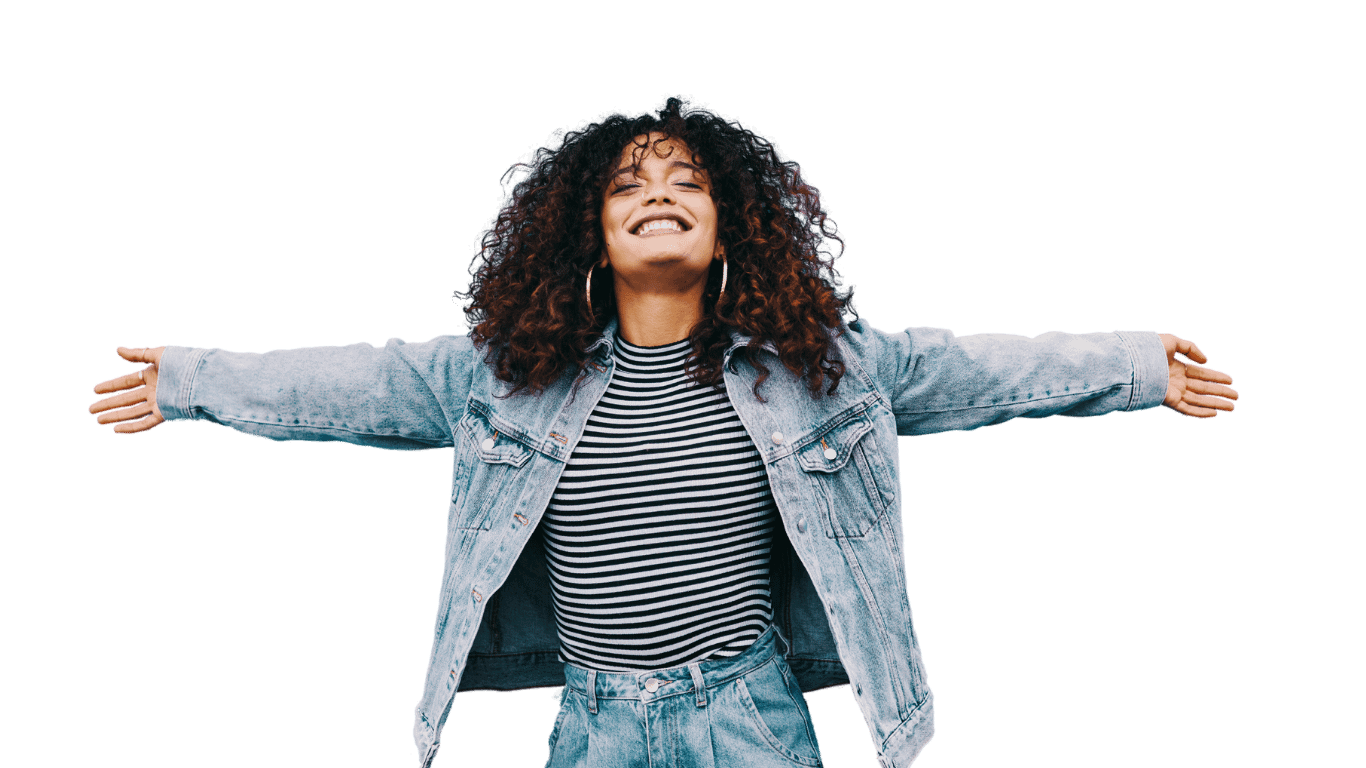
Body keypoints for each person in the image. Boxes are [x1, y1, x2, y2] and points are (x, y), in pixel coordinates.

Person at [87, 96, 1238, 768]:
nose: (658, 189)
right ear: (587, 234)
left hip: (749, 712)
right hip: (586, 721)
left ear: (732, 223)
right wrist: (194, 380)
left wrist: (1133, 363)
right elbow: (346, 385)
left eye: (687, 180)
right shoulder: (501, 375)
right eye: (629, 182)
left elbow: (977, 365)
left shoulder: (820, 364)